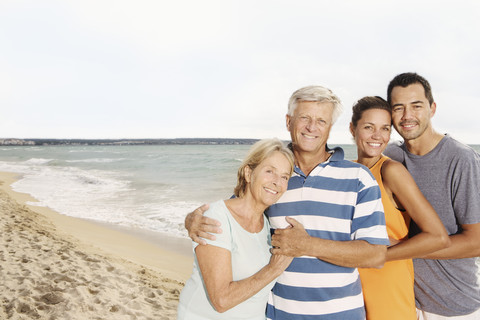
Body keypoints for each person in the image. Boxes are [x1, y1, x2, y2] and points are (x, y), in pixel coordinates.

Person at [185, 85, 390, 319]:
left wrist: (307, 245)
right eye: (304, 118)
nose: (312, 127)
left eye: (321, 121)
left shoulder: (359, 178)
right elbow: (233, 215)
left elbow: (375, 255)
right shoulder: (273, 177)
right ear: (288, 121)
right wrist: (192, 219)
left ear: (330, 127)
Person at [384, 72, 480, 319]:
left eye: (416, 106)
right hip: (405, 302)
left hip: (454, 307)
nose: (407, 116)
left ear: (432, 108)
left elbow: (476, 242)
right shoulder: (391, 156)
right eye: (399, 108)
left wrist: (401, 249)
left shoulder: (461, 159)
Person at [349, 96, 450, 320]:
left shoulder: (391, 171)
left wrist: (380, 253)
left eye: (385, 128)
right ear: (352, 128)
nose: (378, 136)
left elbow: (438, 237)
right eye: (369, 127)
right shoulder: (348, 171)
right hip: (352, 286)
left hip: (388, 285)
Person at [177, 138, 295, 320]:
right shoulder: (216, 218)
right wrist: (273, 269)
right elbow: (221, 300)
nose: (277, 182)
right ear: (249, 173)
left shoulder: (268, 225)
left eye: (284, 177)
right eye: (269, 171)